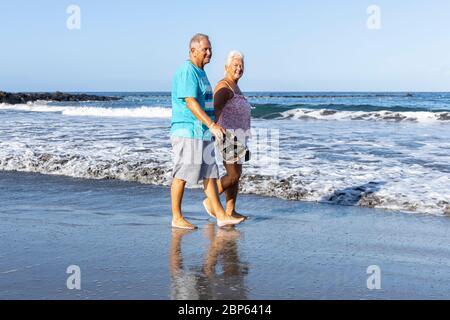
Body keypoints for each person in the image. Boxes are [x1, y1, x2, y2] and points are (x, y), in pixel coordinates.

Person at [170, 34, 245, 229]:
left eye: (210, 49)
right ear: (193, 50)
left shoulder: (201, 72)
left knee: (211, 173)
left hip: (202, 132)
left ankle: (220, 215)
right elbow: (190, 102)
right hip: (188, 130)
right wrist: (213, 125)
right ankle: (176, 217)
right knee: (182, 173)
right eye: (206, 49)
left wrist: (211, 127)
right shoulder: (188, 71)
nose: (209, 53)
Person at [203, 51, 251, 220]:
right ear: (226, 67)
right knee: (233, 175)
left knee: (237, 176)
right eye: (235, 65)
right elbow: (214, 110)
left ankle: (231, 210)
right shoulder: (224, 87)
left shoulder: (235, 85)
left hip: (239, 136)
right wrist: (212, 128)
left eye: (241, 65)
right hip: (227, 137)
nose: (239, 68)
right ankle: (211, 201)